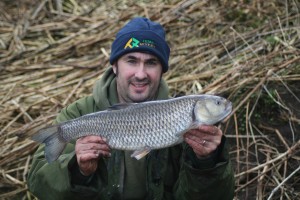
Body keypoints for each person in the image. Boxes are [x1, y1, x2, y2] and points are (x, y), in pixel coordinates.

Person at [27, 17, 234, 200]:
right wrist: (79, 171)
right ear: (115, 65)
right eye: (132, 61)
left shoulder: (187, 122)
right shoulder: (80, 113)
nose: (141, 74)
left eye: (151, 62)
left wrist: (207, 163)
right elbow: (38, 183)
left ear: (162, 70)